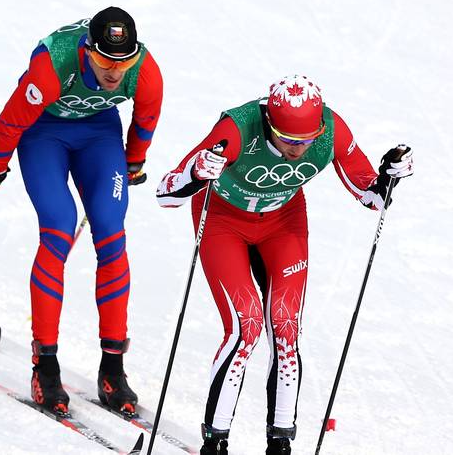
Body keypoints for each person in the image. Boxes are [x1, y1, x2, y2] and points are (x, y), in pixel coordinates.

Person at [155, 75, 413, 455]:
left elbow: (370, 196)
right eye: (288, 141)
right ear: (269, 125)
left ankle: (280, 443)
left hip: (283, 223)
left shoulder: (332, 132)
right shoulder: (237, 128)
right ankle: (216, 441)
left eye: (306, 142)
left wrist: (388, 179)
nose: (298, 150)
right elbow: (165, 194)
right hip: (224, 223)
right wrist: (196, 173)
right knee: (246, 329)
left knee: (287, 330)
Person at [0, 7, 164, 418]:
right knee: (59, 228)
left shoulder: (145, 71)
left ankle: (113, 368)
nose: (114, 72)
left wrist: (134, 162)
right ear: (88, 51)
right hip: (43, 133)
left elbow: (146, 117)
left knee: (111, 233)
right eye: (106, 61)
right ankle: (46, 366)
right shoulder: (51, 67)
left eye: (122, 62)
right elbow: (9, 123)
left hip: (98, 134)